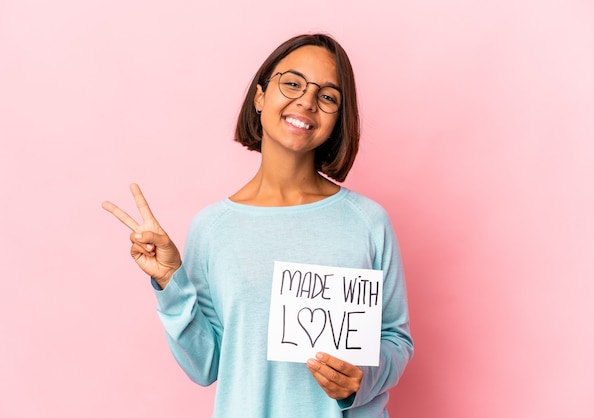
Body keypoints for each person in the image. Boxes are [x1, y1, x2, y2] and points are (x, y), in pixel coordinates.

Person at [103, 33, 413, 418]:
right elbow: (205, 366)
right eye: (293, 83)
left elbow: (396, 339)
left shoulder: (368, 222)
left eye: (328, 96)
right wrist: (170, 282)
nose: (307, 100)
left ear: (338, 120)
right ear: (260, 96)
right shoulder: (213, 228)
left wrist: (360, 379)